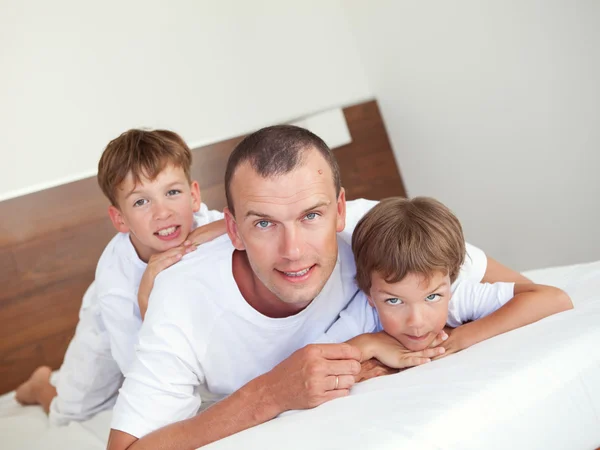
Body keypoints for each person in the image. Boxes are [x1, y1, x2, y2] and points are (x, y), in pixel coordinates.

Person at [107, 125, 530, 450]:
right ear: (233, 229)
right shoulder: (180, 296)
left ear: (341, 210)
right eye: (264, 223)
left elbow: (526, 292)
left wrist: (390, 345)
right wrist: (270, 393)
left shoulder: (376, 231)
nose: (293, 252)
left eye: (311, 216)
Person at [15, 129, 225, 425]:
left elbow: (245, 224)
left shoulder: (213, 225)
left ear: (193, 196)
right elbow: (140, 366)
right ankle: (39, 387)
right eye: (141, 202)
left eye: (172, 193)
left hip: (174, 319)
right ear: (120, 219)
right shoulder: (116, 281)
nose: (163, 212)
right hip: (107, 321)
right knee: (72, 410)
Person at [343, 196, 573, 366]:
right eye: (394, 301)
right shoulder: (358, 320)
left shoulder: (457, 299)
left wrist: (464, 336)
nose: (417, 321)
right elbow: (321, 359)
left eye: (432, 297)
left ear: (450, 286)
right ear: (369, 297)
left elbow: (555, 299)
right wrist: (367, 343)